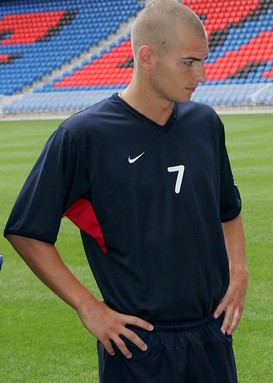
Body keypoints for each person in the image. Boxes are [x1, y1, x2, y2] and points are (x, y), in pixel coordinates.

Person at [4, 1, 248, 382]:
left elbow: (227, 208)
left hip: (211, 337)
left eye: (202, 60)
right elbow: (26, 231)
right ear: (147, 56)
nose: (201, 74)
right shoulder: (84, 136)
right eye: (188, 62)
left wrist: (240, 270)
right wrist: (87, 306)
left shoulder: (205, 123)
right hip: (137, 348)